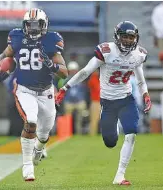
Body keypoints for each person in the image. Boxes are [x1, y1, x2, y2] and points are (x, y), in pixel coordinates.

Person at [56, 21, 152, 185]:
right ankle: (112, 125)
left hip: (126, 99)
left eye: (131, 37)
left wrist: (145, 94)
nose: (128, 40)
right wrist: (65, 88)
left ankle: (120, 175)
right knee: (110, 142)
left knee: (131, 134)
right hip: (107, 101)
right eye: (125, 37)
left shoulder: (138, 54)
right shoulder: (107, 51)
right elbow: (86, 71)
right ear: (117, 37)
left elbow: (141, 80)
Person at [0, 8, 68, 181]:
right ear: (24, 25)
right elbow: (6, 57)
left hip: (46, 91)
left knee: (44, 134)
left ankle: (39, 149)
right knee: (31, 120)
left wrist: (51, 65)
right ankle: (27, 167)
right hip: (24, 89)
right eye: (30, 25)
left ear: (44, 25)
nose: (33, 28)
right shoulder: (17, 37)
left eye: (37, 25)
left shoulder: (51, 40)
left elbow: (64, 73)